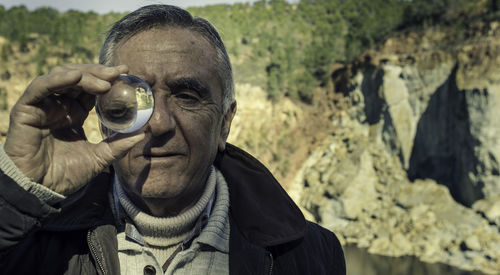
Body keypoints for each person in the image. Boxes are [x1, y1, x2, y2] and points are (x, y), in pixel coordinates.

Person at [0, 5, 345, 275]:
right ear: (104, 122)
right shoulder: (29, 241)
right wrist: (15, 195)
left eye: (187, 96)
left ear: (225, 122)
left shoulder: (310, 255)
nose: (160, 123)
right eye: (133, 100)